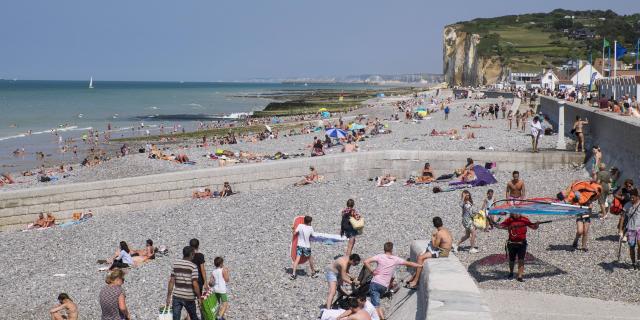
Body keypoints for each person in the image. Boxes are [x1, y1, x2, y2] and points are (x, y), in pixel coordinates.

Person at [364, 242, 420, 320]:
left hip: (375, 283)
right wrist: (420, 265)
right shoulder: (395, 259)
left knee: (375, 306)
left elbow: (366, 261)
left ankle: (380, 318)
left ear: (384, 249)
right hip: (384, 286)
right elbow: (409, 263)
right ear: (392, 249)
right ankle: (382, 318)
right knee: (377, 304)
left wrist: (372, 271)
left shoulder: (380, 256)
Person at [406, 217, 452, 289]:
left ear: (434, 225)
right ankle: (414, 277)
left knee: (421, 258)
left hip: (443, 252)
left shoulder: (439, 233)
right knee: (422, 255)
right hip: (445, 250)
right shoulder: (446, 230)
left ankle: (415, 281)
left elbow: (435, 245)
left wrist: (433, 236)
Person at [497, 213, 539, 282]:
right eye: (514, 213)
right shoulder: (509, 220)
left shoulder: (524, 219)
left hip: (522, 244)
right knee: (511, 260)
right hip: (511, 243)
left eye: (518, 212)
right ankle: (511, 272)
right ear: (512, 213)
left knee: (521, 260)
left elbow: (534, 227)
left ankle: (520, 276)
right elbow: (500, 226)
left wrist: (537, 225)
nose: (516, 214)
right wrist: (492, 223)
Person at [166, 246, 202, 320]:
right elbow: (195, 284)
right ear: (191, 254)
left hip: (177, 296)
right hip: (189, 297)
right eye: (194, 254)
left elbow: (171, 281)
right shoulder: (193, 267)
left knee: (176, 317)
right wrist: (199, 297)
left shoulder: (175, 264)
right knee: (193, 317)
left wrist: (168, 296)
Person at [291, 215, 318, 280]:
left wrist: (293, 229)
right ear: (309, 222)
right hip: (306, 247)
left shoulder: (300, 225)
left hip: (299, 245)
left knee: (297, 259)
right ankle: (313, 272)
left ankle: (293, 274)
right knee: (310, 259)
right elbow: (313, 236)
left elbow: (294, 233)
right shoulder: (310, 228)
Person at [624, 188, 640, 269]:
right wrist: (621, 230)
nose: (631, 199)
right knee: (632, 246)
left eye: (633, 197)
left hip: (639, 228)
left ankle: (639, 260)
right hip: (630, 228)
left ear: (637, 197)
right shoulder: (627, 205)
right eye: (631, 197)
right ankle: (633, 263)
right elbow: (623, 217)